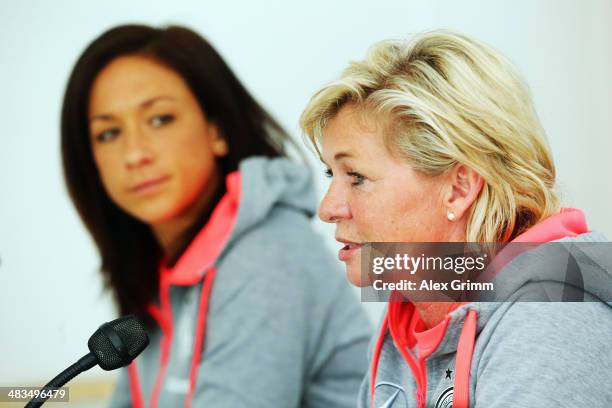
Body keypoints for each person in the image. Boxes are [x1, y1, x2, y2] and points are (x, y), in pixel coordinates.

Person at [61, 24, 371, 408]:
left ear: (217, 130)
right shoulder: (160, 274)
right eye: (108, 134)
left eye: (160, 120)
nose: (134, 153)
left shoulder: (267, 255)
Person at [300, 30, 612, 407]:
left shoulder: (551, 318)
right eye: (332, 175)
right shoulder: (402, 322)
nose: (328, 208)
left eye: (358, 177)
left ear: (459, 188)